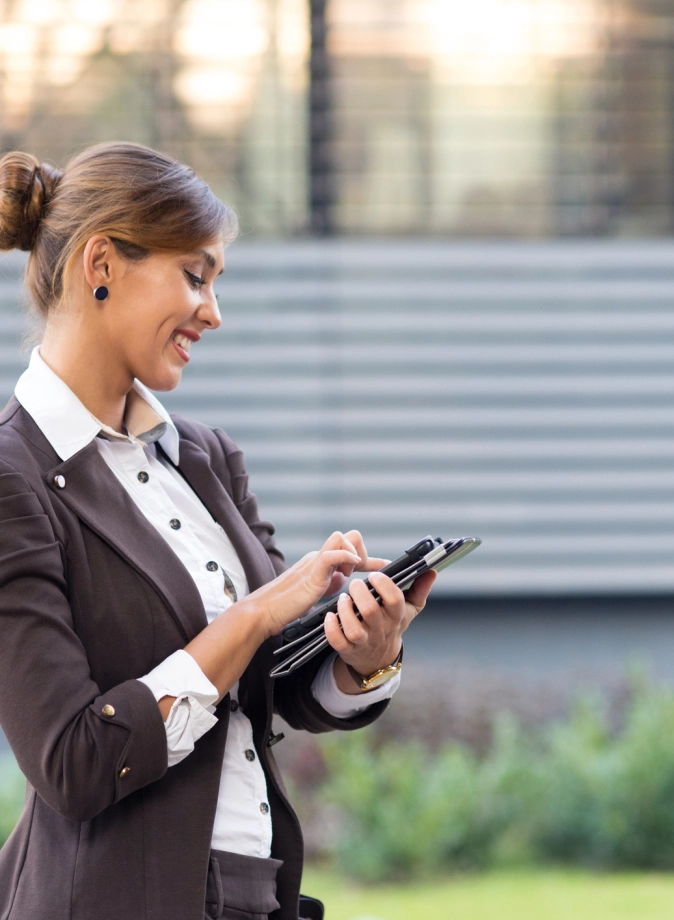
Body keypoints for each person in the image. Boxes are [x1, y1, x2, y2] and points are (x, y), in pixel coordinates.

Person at [0, 142, 436, 920]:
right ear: (101, 261)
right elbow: (71, 763)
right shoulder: (14, 477)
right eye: (193, 276)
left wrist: (363, 656)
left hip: (250, 892)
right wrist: (254, 613)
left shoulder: (204, 458)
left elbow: (272, 683)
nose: (213, 310)